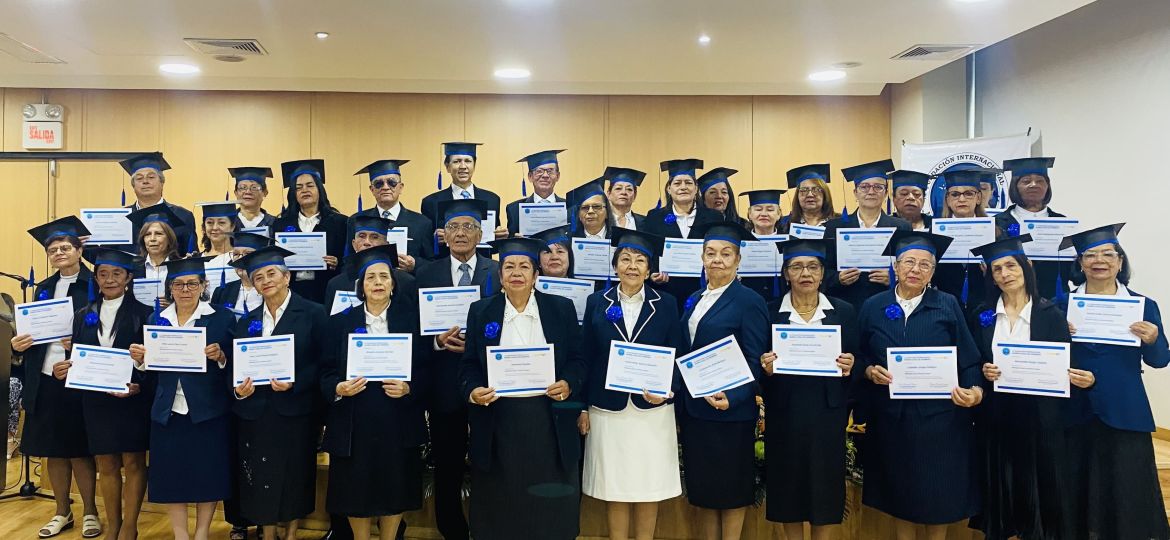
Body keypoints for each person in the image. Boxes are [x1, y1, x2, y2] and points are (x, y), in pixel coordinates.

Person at [857, 231, 983, 539]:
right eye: (909, 262)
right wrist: (869, 370)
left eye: (925, 264)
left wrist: (976, 391)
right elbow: (858, 354)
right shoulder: (873, 306)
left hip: (940, 420)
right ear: (896, 267)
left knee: (937, 494)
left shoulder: (947, 304)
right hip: (892, 419)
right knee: (900, 493)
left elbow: (968, 359)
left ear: (933, 271)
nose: (916, 269)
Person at [458, 237, 586, 540]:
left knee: (550, 512)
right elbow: (468, 366)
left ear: (535, 274)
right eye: (509, 267)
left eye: (524, 266)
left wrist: (568, 384)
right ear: (500, 276)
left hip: (549, 422)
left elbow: (579, 360)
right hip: (498, 422)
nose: (517, 272)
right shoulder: (481, 311)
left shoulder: (561, 308)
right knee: (500, 508)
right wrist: (473, 390)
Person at [965, 235, 1083, 540]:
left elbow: (1063, 366)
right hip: (997, 416)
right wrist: (984, 369)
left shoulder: (1050, 314)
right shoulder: (982, 315)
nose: (1005, 273)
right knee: (1001, 487)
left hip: (1039, 419)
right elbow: (973, 359)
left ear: (1025, 267)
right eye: (997, 269)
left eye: (1010, 265)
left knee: (1038, 490)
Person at [1058, 223, 1170, 540]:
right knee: (1077, 488)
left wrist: (1153, 339)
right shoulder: (1061, 304)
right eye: (1090, 255)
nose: (1099, 260)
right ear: (1079, 264)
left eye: (1108, 254)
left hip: (1125, 412)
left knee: (1127, 492)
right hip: (1075, 411)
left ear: (1120, 262)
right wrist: (1057, 336)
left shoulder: (1143, 305)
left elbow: (1159, 361)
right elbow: (1047, 359)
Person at [578, 228, 683, 540]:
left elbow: (676, 352)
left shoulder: (665, 303)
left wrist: (667, 390)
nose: (633, 266)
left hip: (652, 409)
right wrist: (582, 407)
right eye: (626, 259)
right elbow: (586, 356)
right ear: (615, 266)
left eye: (640, 261)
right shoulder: (597, 302)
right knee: (616, 486)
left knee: (648, 486)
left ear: (649, 270)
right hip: (607, 408)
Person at [321, 244, 429, 540]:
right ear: (361, 286)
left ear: (394, 285)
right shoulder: (340, 322)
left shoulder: (412, 322)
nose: (378, 282)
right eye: (371, 278)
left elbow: (427, 370)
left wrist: (409, 387)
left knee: (396, 486)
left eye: (384, 276)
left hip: (398, 418)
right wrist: (338, 387)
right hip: (354, 420)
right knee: (356, 489)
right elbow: (326, 371)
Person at [758, 238, 858, 540]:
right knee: (788, 482)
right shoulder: (769, 311)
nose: (805, 273)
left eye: (813, 267)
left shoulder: (844, 311)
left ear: (822, 272)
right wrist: (765, 366)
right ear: (786, 273)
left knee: (824, 483)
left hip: (827, 411)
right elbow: (756, 358)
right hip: (784, 410)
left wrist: (851, 363)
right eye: (797, 266)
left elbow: (859, 355)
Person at [131, 257, 236, 540]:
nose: (185, 289)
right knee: (172, 477)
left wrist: (222, 357)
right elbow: (151, 371)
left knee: (208, 475)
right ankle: (180, 534)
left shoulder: (221, 317)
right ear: (170, 288)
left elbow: (235, 364)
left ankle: (201, 533)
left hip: (207, 408)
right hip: (168, 409)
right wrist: (141, 361)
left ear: (203, 286)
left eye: (192, 284)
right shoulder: (157, 319)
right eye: (178, 284)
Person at [414, 199, 501, 540]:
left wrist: (475, 347)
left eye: (468, 227)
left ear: (480, 234)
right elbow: (413, 332)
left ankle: (488, 526)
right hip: (443, 386)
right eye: (453, 228)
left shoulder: (498, 272)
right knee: (447, 465)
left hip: (486, 383)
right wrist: (435, 341)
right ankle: (451, 530)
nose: (461, 233)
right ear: (443, 235)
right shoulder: (425, 274)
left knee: (488, 462)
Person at [228, 245, 329, 540]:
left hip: (295, 410)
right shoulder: (248, 322)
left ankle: (292, 534)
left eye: (271, 274)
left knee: (294, 474)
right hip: (256, 411)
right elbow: (235, 367)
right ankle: (268, 533)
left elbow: (325, 362)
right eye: (258, 277)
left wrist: (295, 383)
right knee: (260, 477)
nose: (265, 281)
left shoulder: (313, 313)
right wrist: (239, 390)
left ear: (287, 277)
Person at [677, 221, 769, 540]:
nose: (718, 259)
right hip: (696, 412)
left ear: (738, 259)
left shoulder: (749, 301)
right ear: (702, 257)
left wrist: (735, 395)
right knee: (703, 493)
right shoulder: (693, 298)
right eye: (711, 253)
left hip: (730, 413)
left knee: (731, 492)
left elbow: (755, 357)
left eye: (726, 254)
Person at [13, 217, 101, 539]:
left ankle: (90, 510)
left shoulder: (95, 283)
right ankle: (62, 511)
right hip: (45, 376)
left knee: (79, 449)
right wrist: (18, 345)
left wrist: (79, 343)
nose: (59, 253)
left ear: (79, 249)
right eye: (53, 250)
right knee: (52, 450)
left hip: (79, 377)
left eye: (65, 247)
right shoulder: (43, 288)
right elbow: (31, 333)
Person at [68, 247, 154, 540]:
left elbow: (152, 362)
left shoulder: (145, 314)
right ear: (96, 277)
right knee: (105, 463)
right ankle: (113, 524)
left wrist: (139, 380)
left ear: (128, 277)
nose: (109, 279)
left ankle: (130, 526)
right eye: (103, 274)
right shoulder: (83, 315)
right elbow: (79, 357)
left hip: (132, 398)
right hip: (96, 401)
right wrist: (67, 368)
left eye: (117, 273)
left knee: (132, 462)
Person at [824, 160, 911, 311]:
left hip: (888, 304)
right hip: (846, 304)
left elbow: (909, 266)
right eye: (864, 187)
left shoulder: (902, 227)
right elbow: (823, 270)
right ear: (855, 192)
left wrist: (895, 277)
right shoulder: (834, 227)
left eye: (878, 187)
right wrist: (838, 278)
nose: (871, 191)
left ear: (885, 193)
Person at [644, 158, 723, 313]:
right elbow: (649, 250)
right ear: (668, 188)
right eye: (677, 183)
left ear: (696, 188)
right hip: (666, 290)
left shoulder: (714, 217)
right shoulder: (654, 217)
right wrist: (653, 273)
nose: (683, 187)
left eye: (688, 183)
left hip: (704, 289)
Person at [994, 157, 1073, 300]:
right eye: (1026, 181)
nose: (1034, 185)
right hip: (1010, 302)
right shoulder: (997, 224)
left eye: (1040, 181)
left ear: (1047, 186)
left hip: (1054, 301)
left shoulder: (1063, 223)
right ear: (1015, 186)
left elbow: (1073, 273)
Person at [271, 159, 348, 305]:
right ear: (294, 193)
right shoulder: (281, 224)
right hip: (292, 292)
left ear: (319, 189)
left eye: (310, 185)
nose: (304, 190)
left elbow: (348, 260)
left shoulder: (340, 222)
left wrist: (337, 262)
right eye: (299, 187)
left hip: (326, 290)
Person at [323, 215, 419, 316]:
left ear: (386, 244)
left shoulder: (406, 282)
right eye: (362, 236)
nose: (367, 242)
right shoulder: (336, 284)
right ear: (354, 244)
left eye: (374, 237)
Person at [352, 159, 436, 270]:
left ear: (400, 187)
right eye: (378, 184)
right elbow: (348, 260)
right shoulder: (356, 220)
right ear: (372, 189)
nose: (385, 187)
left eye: (391, 182)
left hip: (408, 283)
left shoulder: (422, 223)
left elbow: (432, 264)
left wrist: (415, 264)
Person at [421, 142, 507, 246]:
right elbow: (425, 246)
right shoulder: (431, 202)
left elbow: (493, 247)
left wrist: (501, 238)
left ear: (474, 165)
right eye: (457, 161)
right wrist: (434, 240)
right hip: (446, 260)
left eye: (468, 161)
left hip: (482, 261)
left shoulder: (491, 199)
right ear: (447, 167)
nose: (463, 166)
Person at [931, 168, 995, 308]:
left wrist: (991, 273)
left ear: (978, 198)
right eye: (955, 194)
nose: (961, 199)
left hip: (983, 304)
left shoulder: (995, 232)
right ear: (947, 199)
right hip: (944, 305)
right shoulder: (934, 233)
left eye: (968, 194)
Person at [120, 152, 196, 255]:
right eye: (139, 178)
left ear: (162, 182)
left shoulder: (183, 215)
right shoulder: (121, 217)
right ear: (133, 185)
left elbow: (191, 253)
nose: (145, 181)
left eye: (151, 177)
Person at [127, 203, 184, 308]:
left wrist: (176, 304)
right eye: (147, 234)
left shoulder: (182, 267)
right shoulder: (132, 269)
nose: (152, 239)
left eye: (159, 234)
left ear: (169, 238)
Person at [738, 189, 788, 300]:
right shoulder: (739, 243)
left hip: (781, 300)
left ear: (779, 214)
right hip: (747, 300)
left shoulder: (788, 243)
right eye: (758, 209)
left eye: (770, 209)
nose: (764, 214)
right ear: (750, 214)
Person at [505, 150, 568, 236]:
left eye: (550, 171)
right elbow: (511, 244)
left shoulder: (570, 208)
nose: (545, 175)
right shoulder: (514, 209)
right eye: (539, 171)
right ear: (530, 177)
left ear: (558, 176)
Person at [210, 232, 269, 319]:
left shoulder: (272, 289)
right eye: (236, 254)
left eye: (248, 254)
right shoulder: (221, 292)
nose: (240, 258)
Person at [779, 164, 839, 234]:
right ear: (797, 196)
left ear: (825, 194)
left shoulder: (839, 222)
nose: (810, 195)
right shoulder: (785, 225)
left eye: (816, 189)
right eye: (804, 190)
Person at [228, 167, 277, 234]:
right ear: (236, 193)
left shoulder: (274, 223)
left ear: (265, 192)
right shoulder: (228, 222)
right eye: (242, 187)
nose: (248, 192)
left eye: (254, 188)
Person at [604, 166, 647, 231]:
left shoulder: (645, 222)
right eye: (618, 188)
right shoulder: (600, 221)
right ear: (608, 194)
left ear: (635, 195)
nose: (623, 192)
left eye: (629, 189)